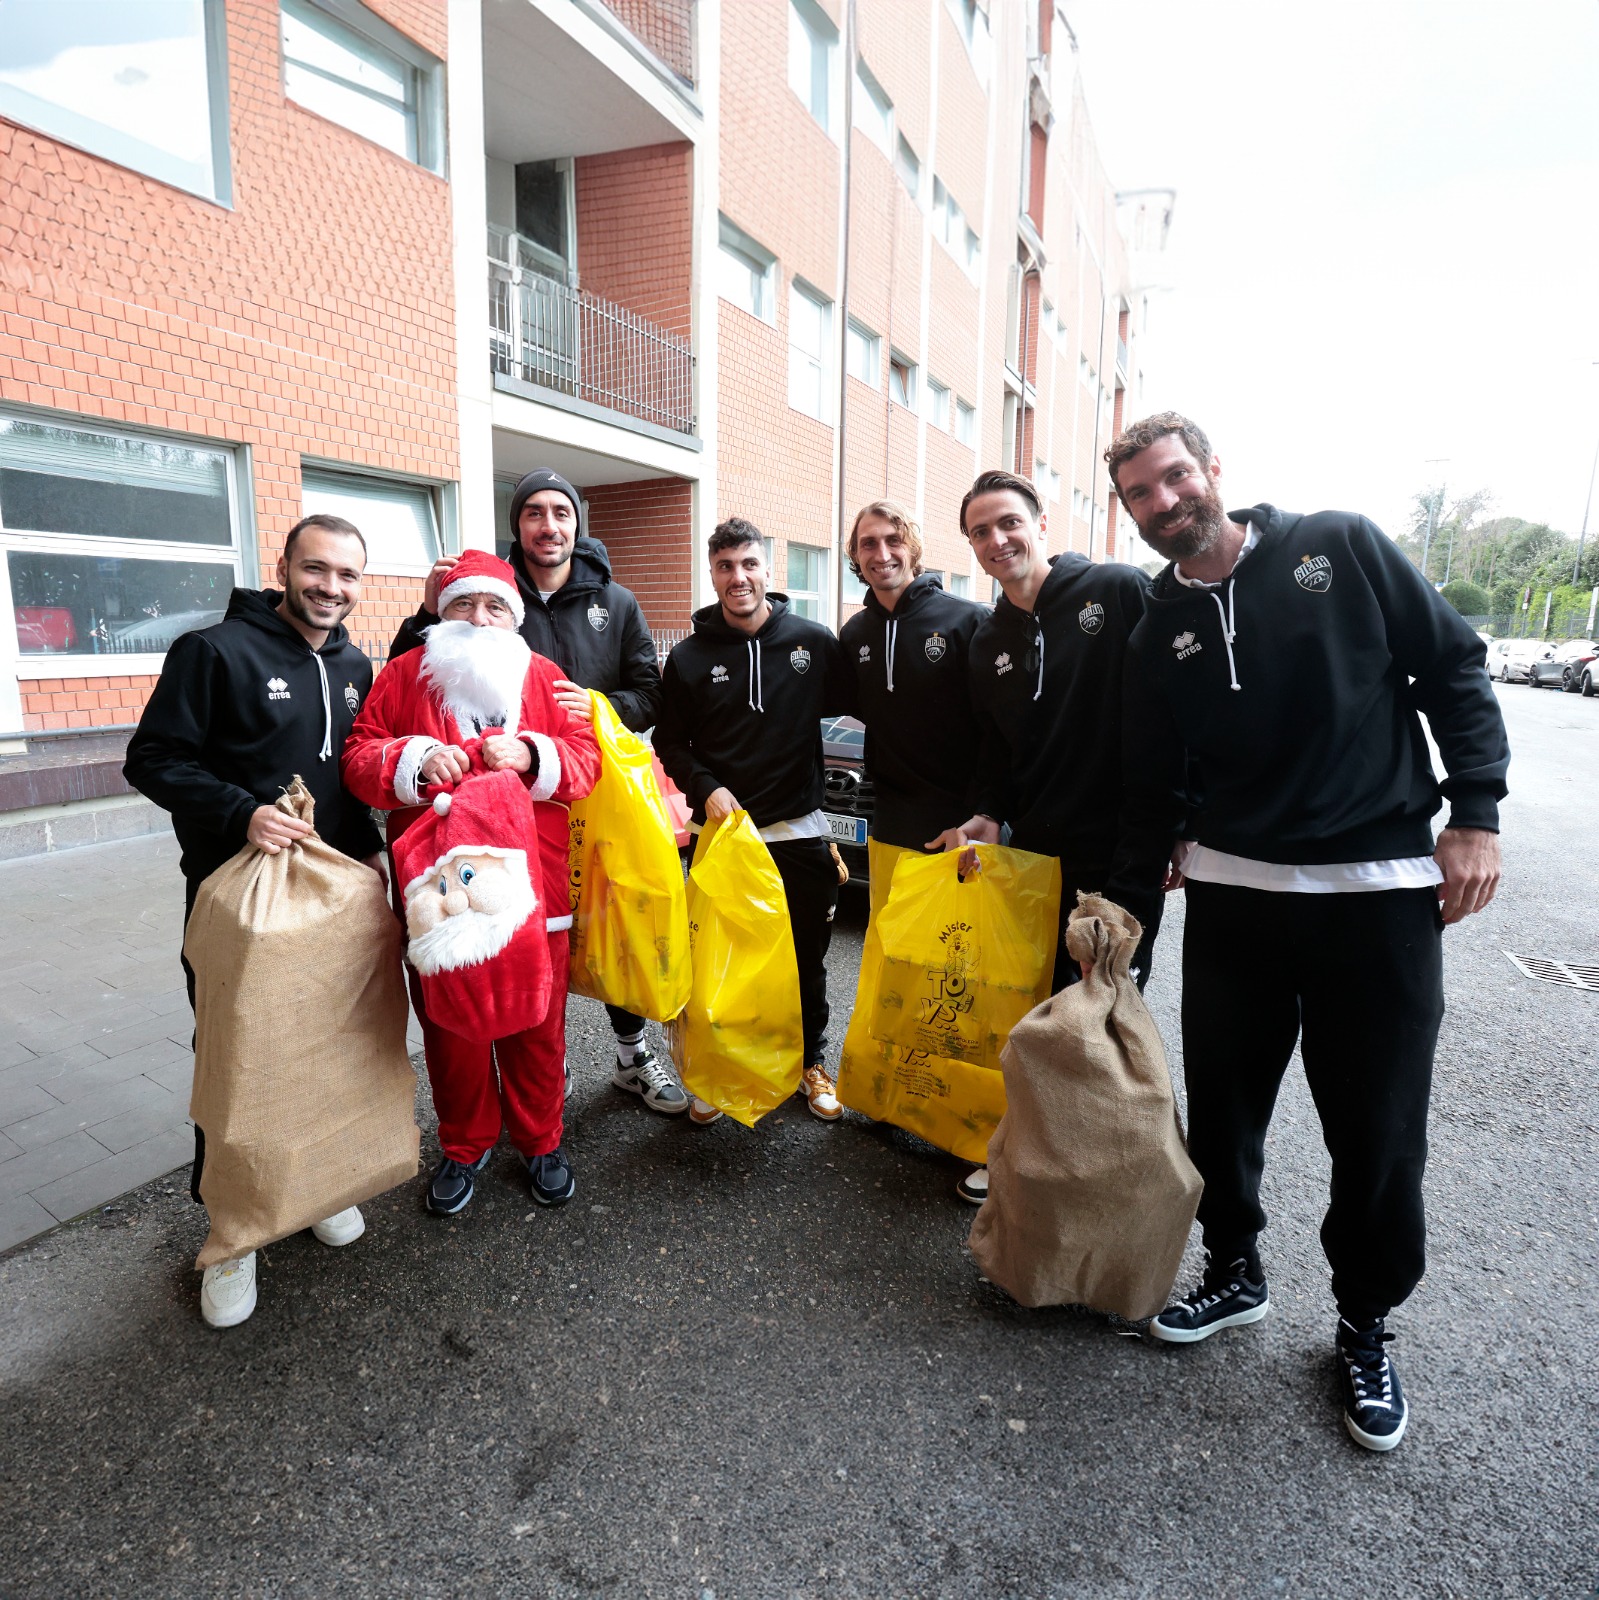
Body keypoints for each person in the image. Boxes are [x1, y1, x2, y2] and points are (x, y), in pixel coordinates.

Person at [1108, 411, 1509, 1454]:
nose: (1163, 501)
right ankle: (1233, 1269)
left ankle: (1364, 1323)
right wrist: (1126, 930)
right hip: (1234, 899)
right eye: (1141, 493)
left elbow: (1453, 667)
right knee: (1223, 1112)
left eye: (1174, 477)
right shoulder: (1156, 627)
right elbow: (1151, 782)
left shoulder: (1339, 544)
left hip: (1375, 895)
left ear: (1214, 471)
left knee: (1377, 1129)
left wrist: (1474, 814)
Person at [124, 514, 384, 1329]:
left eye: (346, 575)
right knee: (238, 1062)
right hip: (235, 898)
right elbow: (152, 759)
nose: (330, 588)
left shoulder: (354, 665)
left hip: (330, 898)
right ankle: (232, 1234)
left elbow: (346, 781)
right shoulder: (212, 652)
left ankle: (314, 1189)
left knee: (328, 1049)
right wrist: (241, 813)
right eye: (316, 569)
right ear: (283, 566)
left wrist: (372, 852)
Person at [389, 469, 685, 1116]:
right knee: (531, 935)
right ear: (517, 525)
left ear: (577, 524)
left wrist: (589, 710)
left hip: (592, 786)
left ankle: (631, 1051)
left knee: (612, 920)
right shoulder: (489, 592)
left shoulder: (616, 601)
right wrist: (428, 609)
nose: (548, 526)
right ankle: (547, 1066)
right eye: (534, 513)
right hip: (512, 808)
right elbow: (414, 672)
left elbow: (649, 693)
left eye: (561, 512)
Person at [930, 469, 1171, 1204]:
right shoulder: (987, 638)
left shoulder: (1116, 590)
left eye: (1009, 522)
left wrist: (1182, 826)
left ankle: (1093, 1172)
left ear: (1041, 524)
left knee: (1100, 1010)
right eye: (980, 531)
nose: (997, 540)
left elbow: (1169, 713)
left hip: (1120, 852)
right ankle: (1029, 1157)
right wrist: (986, 812)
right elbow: (999, 752)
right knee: (1037, 1011)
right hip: (1034, 858)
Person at [343, 549, 600, 1215]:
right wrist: (416, 758)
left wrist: (534, 753)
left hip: (532, 890)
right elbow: (359, 756)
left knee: (537, 1023)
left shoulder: (544, 676)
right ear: (442, 612)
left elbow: (585, 761)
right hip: (440, 894)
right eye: (463, 604)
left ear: (513, 618)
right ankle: (464, 1143)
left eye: (494, 607)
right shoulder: (404, 674)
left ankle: (542, 1139)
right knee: (451, 1031)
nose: (479, 619)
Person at [654, 518, 853, 1125]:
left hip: (799, 834)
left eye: (748, 564)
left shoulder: (814, 642)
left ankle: (809, 1063)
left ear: (768, 569)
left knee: (805, 961)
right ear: (712, 574)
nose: (738, 577)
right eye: (725, 567)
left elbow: (865, 709)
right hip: (723, 838)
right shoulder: (688, 658)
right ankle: (720, 1072)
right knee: (723, 962)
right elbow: (670, 741)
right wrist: (706, 787)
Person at [836, 501, 989, 1198]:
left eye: (892, 540)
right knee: (892, 969)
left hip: (958, 835)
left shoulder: (964, 621)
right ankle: (887, 1096)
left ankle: (970, 1131)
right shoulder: (857, 633)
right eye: (868, 544)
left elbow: (997, 729)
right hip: (891, 827)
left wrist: (984, 815)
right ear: (856, 557)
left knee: (958, 984)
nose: (881, 553)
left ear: (914, 547)